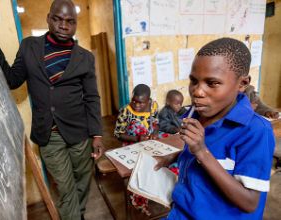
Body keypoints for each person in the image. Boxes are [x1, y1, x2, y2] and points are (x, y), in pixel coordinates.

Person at [0, 1, 104, 219]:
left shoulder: (85, 57)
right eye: (57, 19)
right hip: (49, 134)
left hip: (80, 133)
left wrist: (96, 134)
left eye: (70, 21)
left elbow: (92, 97)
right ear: (48, 18)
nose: (63, 26)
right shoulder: (29, 46)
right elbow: (12, 79)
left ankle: (78, 214)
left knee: (83, 182)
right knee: (66, 190)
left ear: (75, 24)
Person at [155, 38, 275, 219]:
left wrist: (202, 151)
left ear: (242, 84)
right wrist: (174, 156)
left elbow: (249, 203)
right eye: (194, 81)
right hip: (182, 211)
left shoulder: (256, 131)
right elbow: (197, 154)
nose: (197, 91)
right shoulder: (196, 114)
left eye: (212, 83)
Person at [114, 83, 159, 215]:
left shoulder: (154, 106)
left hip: (149, 142)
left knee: (162, 163)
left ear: (148, 100)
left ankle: (154, 193)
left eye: (141, 103)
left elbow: (156, 123)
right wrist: (138, 139)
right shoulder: (126, 111)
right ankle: (139, 200)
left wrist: (155, 132)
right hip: (131, 145)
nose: (136, 105)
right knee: (141, 169)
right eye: (134, 101)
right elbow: (118, 134)